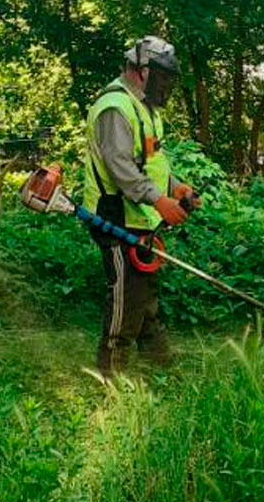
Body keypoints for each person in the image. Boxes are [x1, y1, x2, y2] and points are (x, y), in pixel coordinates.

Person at [82, 36, 202, 377]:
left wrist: (174, 187)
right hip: (115, 218)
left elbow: (151, 161)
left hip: (141, 219)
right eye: (162, 76)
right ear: (140, 70)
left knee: (144, 300)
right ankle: (110, 381)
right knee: (125, 303)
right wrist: (159, 201)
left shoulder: (144, 108)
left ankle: (160, 371)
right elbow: (121, 169)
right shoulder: (114, 108)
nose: (166, 85)